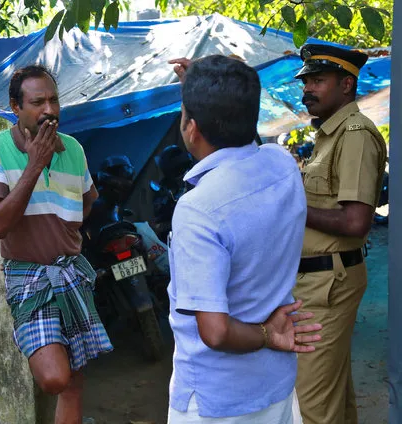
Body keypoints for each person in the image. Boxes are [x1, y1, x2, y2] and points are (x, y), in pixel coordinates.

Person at [166, 54, 322, 423]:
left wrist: (269, 335)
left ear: (191, 127)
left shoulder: (197, 209)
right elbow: (242, 138)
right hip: (275, 384)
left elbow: (215, 333)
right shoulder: (282, 165)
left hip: (216, 399)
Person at [0, 65, 112, 423]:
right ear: (15, 108)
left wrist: (61, 228)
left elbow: (87, 200)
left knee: (74, 383)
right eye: (37, 102)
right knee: (55, 378)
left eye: (54, 100)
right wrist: (34, 165)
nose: (49, 110)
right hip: (28, 276)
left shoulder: (75, 149)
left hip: (72, 272)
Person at [292, 44, 388, 424]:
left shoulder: (354, 134)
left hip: (328, 283)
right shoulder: (329, 134)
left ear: (347, 84)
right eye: (307, 81)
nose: (307, 89)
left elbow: (355, 223)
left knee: (313, 407)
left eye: (318, 80)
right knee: (333, 397)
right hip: (317, 281)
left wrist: (293, 209)